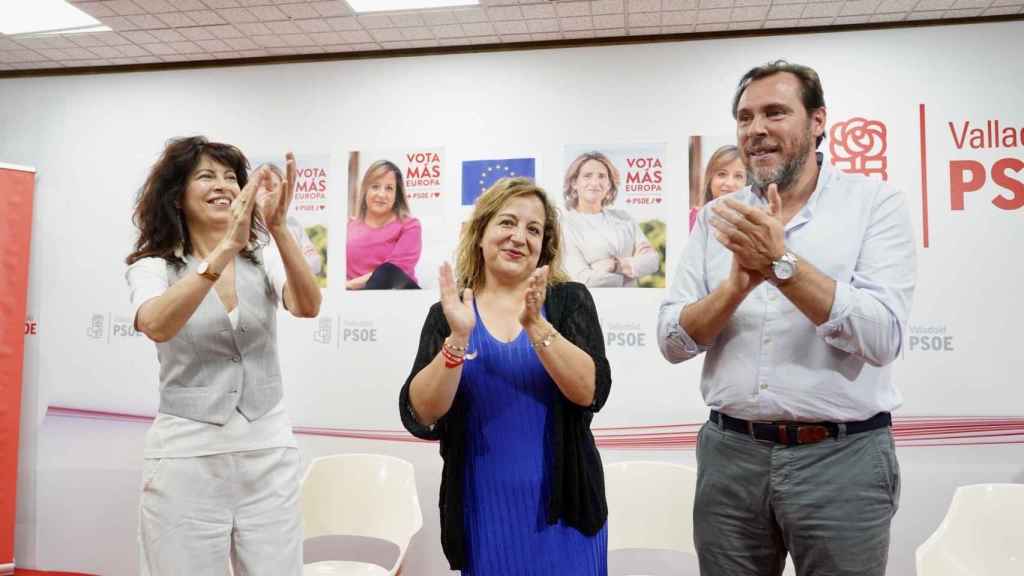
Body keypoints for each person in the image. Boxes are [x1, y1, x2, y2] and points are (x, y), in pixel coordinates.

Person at [657, 61, 915, 576]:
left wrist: (782, 265)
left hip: (843, 459)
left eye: (775, 113)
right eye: (745, 117)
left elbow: (883, 336)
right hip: (730, 457)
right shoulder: (717, 217)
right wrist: (734, 289)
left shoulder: (875, 204)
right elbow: (672, 340)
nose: (756, 129)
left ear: (818, 121)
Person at [125, 136, 321, 575]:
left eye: (231, 177)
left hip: (268, 452)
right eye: (206, 176)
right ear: (177, 195)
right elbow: (157, 324)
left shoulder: (263, 255)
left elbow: (307, 305)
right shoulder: (153, 266)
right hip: (186, 457)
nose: (223, 185)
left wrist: (279, 227)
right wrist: (223, 249)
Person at [399, 177, 611, 575]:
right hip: (483, 513)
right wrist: (457, 339)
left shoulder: (569, 301)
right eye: (507, 222)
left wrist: (536, 325)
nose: (519, 237)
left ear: (544, 246)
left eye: (534, 229)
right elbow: (422, 413)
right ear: (480, 233)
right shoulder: (448, 313)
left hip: (567, 516)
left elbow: (590, 391)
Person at [560, 151, 659, 287]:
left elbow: (653, 261)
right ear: (574, 183)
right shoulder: (564, 226)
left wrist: (614, 265)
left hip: (632, 298)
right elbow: (582, 280)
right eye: (587, 176)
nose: (595, 182)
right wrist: (631, 269)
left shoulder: (624, 218)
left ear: (609, 184)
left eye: (602, 176)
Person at [347, 159, 421, 289]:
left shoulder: (410, 226)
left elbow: (393, 273)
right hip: (350, 297)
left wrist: (349, 285)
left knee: (387, 271)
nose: (381, 194)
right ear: (365, 190)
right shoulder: (348, 226)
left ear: (396, 194)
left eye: (389, 188)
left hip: (395, 295)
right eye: (375, 186)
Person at [255, 162, 323, 277]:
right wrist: (297, 260)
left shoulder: (293, 224)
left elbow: (315, 264)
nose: (269, 190)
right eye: (262, 185)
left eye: (275, 185)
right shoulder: (246, 227)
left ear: (283, 191)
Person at [689, 144, 748, 231]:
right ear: (710, 178)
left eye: (738, 176)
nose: (729, 183)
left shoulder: (752, 225)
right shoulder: (691, 219)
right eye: (722, 174)